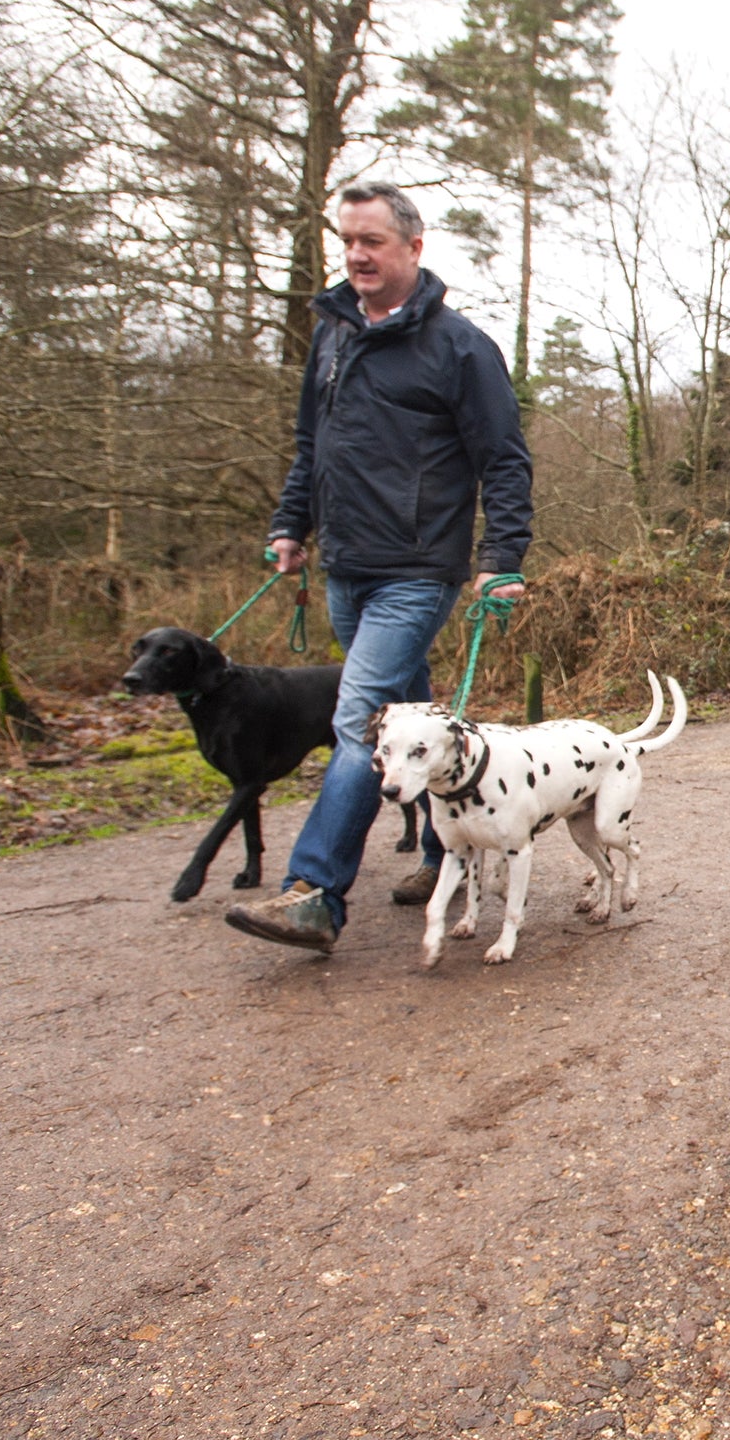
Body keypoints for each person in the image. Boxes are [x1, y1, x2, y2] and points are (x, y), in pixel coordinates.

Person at [224, 181, 531, 952]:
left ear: (413, 249)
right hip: (347, 565)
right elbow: (312, 445)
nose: (358, 255)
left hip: (420, 567)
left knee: (360, 723)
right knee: (415, 712)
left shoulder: (459, 347)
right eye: (349, 241)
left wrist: (501, 557)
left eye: (374, 242)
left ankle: (316, 891)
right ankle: (441, 852)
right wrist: (292, 523)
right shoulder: (331, 336)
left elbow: (504, 459)